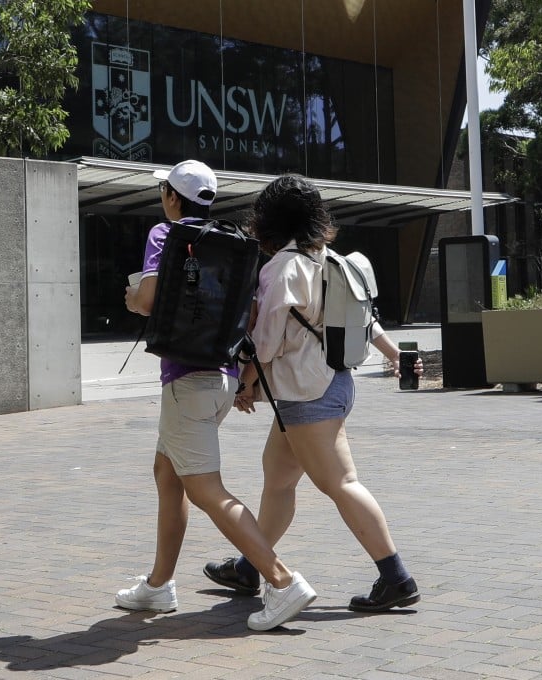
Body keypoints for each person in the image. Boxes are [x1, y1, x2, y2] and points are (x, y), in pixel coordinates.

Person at [202, 173, 421, 613]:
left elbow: (265, 343)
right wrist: (395, 353)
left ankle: (396, 577)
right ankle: (249, 566)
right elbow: (363, 321)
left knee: (341, 483)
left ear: (270, 220)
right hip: (334, 384)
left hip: (306, 395)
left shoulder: (282, 268)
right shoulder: (331, 258)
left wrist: (245, 384)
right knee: (279, 479)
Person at [116, 160, 316, 631]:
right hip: (222, 379)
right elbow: (248, 314)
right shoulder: (234, 246)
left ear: (171, 197)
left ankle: (283, 581)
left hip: (186, 381)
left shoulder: (166, 235)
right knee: (168, 473)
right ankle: (158, 586)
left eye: (164, 191)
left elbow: (145, 301)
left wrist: (131, 299)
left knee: (206, 489)